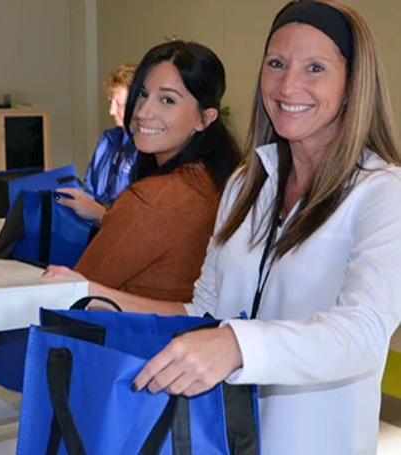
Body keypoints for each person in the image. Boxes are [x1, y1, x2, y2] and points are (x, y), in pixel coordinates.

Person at [49, 1, 401, 453]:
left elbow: (364, 333)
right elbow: (203, 310)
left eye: (315, 67)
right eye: (276, 64)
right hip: (219, 436)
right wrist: (95, 292)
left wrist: (236, 346)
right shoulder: (244, 185)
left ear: (353, 85)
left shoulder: (381, 192)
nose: (289, 84)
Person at [56, 40, 241, 303]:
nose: (142, 112)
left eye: (167, 100)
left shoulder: (155, 197)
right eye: (142, 94)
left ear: (205, 118)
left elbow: (73, 296)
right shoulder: (217, 178)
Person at [84, 64, 138, 206]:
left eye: (119, 104)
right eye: (110, 102)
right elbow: (89, 187)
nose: (111, 111)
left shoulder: (145, 148)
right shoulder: (107, 139)